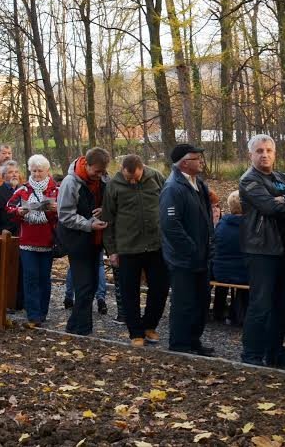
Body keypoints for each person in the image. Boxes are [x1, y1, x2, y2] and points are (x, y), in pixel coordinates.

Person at [237, 134, 285, 368]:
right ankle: (251, 355)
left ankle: (276, 353)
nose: (265, 155)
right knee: (260, 305)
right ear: (251, 154)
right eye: (259, 151)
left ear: (275, 153)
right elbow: (269, 207)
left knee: (284, 305)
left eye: (269, 150)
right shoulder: (249, 180)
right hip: (261, 250)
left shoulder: (282, 178)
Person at [102, 153, 168, 347]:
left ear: (143, 169)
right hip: (128, 247)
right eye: (129, 178)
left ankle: (150, 326)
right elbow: (108, 220)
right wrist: (112, 250)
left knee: (160, 288)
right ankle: (135, 332)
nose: (132, 182)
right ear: (122, 170)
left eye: (136, 178)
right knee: (129, 291)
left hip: (156, 245)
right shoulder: (114, 186)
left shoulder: (155, 177)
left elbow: (168, 203)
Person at [159, 143, 215, 356]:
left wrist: (210, 243)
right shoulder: (173, 188)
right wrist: (191, 249)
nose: (201, 161)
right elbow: (170, 225)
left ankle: (193, 340)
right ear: (184, 163)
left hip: (201, 255)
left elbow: (206, 217)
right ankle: (180, 343)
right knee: (184, 302)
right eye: (196, 158)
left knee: (200, 301)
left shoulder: (198, 184)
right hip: (183, 259)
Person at [57, 148, 111, 336]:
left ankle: (78, 326)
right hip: (77, 240)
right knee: (84, 285)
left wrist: (104, 210)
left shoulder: (103, 178)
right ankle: (80, 328)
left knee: (92, 284)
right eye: (96, 171)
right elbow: (65, 215)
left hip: (96, 240)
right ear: (86, 164)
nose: (100, 175)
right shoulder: (70, 182)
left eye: (103, 172)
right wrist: (88, 224)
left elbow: (110, 201)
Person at [7, 155, 59, 327]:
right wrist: (18, 211)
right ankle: (33, 315)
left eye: (40, 171)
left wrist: (55, 209)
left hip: (47, 241)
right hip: (27, 242)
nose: (37, 174)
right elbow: (8, 207)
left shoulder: (55, 190)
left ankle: (43, 312)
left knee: (44, 278)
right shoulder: (22, 190)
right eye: (34, 171)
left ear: (47, 171)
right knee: (30, 277)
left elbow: (65, 211)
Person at [211, 191, 249, 325]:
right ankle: (241, 313)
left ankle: (218, 311)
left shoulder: (221, 225)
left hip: (221, 272)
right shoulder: (251, 226)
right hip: (244, 274)